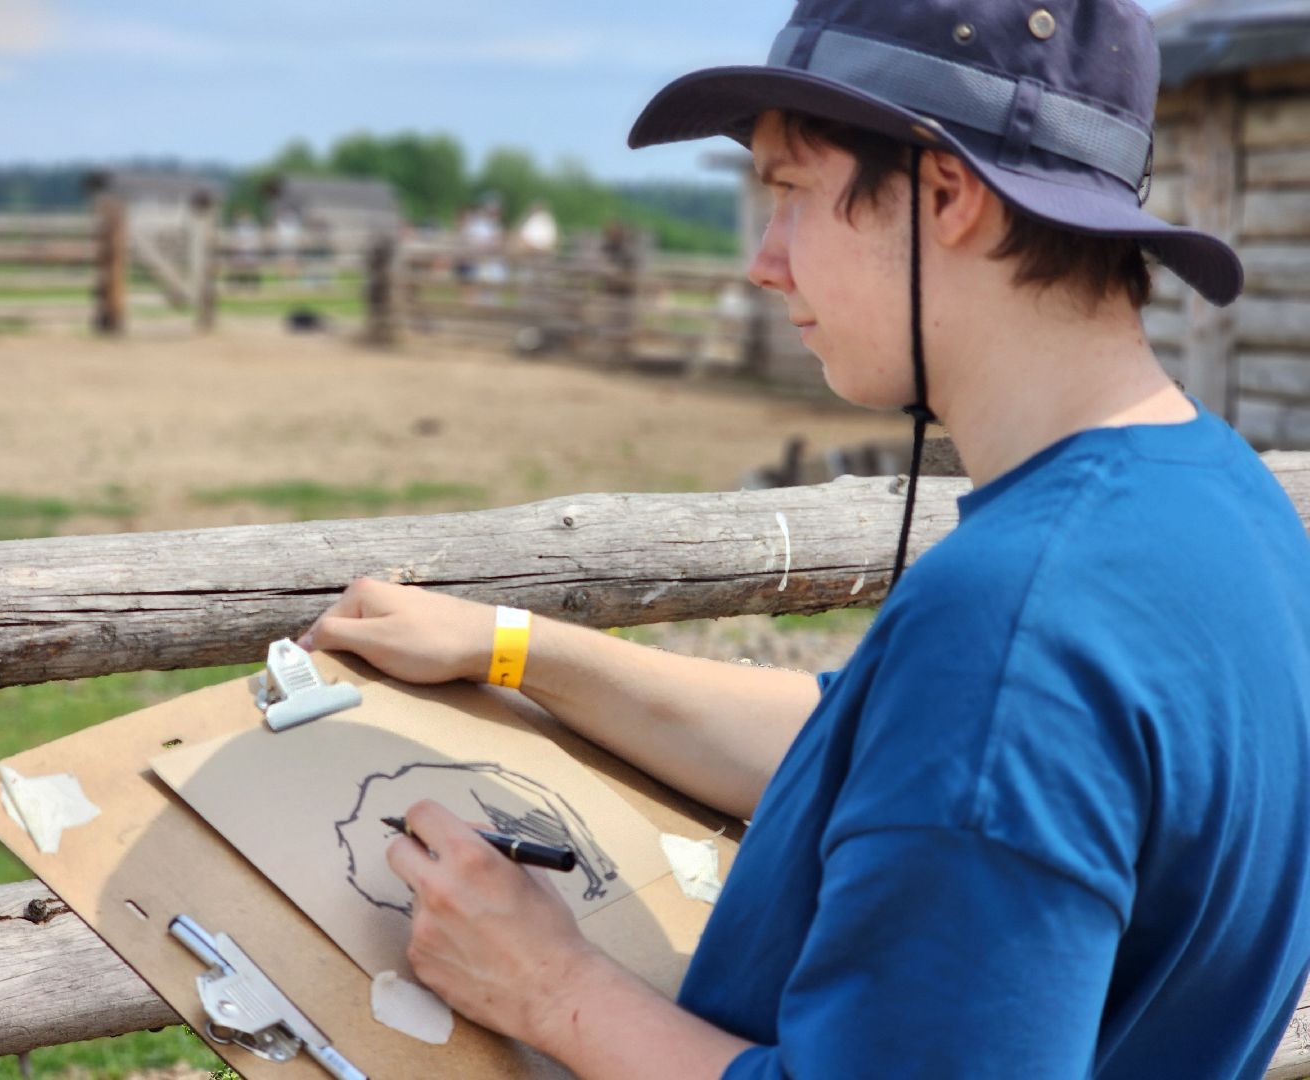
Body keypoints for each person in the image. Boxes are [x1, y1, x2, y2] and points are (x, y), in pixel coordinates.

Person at [298, 1, 1310, 1076]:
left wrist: (550, 987)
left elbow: (978, 743)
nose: (764, 263)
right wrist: (520, 649)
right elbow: (883, 757)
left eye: (791, 193)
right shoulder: (1225, 505)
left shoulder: (1020, 624)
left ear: (947, 194)